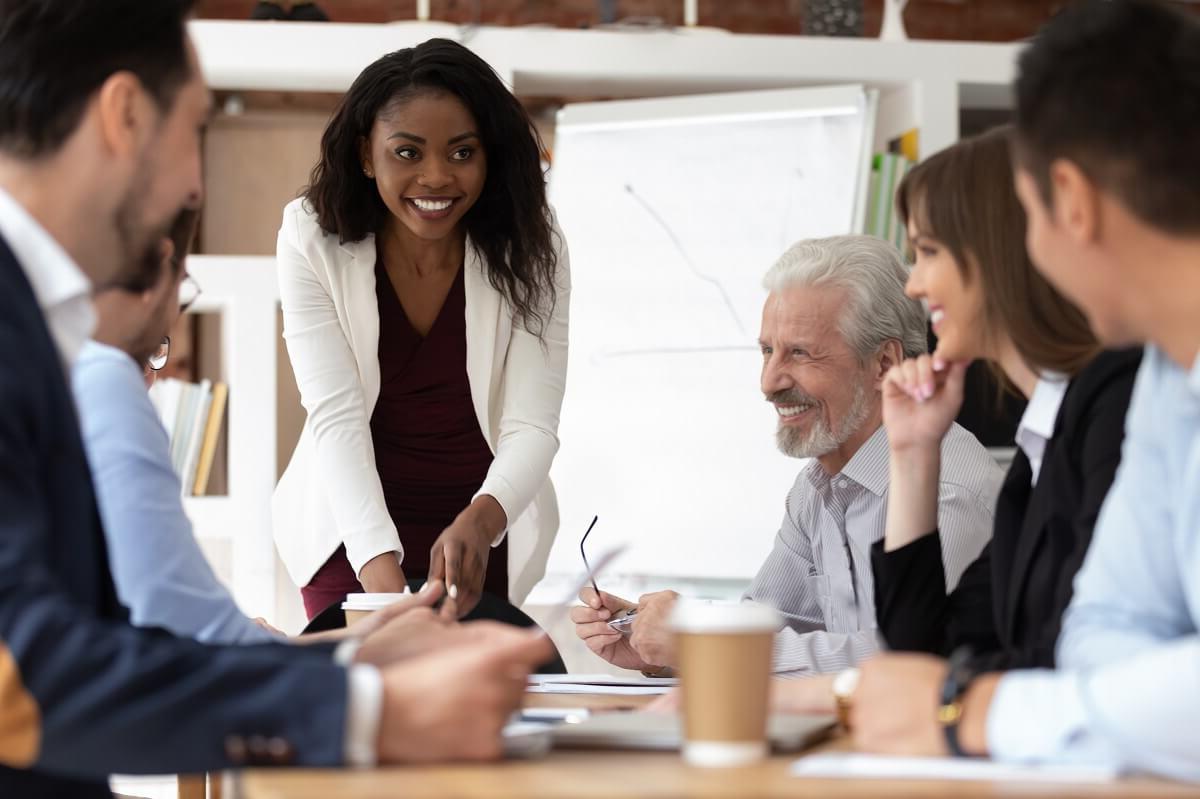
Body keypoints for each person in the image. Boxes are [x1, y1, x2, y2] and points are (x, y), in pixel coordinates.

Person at [0, 3, 548, 795]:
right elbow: (30, 666)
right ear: (123, 116)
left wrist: (337, 658)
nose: (194, 181)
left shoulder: (39, 330)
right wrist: (361, 704)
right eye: (196, 131)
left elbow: (93, 641)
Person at [849, 0, 1200, 781]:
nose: (914, 282)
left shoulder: (1115, 390)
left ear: (1069, 202)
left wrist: (976, 711)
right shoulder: (1161, 381)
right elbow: (1101, 631)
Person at [574, 235, 1003, 676]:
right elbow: (767, 622)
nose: (769, 381)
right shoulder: (818, 485)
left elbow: (910, 660)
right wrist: (657, 648)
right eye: (766, 350)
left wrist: (700, 646)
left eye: (799, 353)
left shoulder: (948, 492)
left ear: (884, 364)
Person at [273, 38, 570, 620]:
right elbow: (335, 414)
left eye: (462, 154)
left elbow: (533, 422)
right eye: (407, 153)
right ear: (366, 155)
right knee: (360, 696)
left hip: (481, 529)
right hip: (350, 526)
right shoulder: (310, 237)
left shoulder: (534, 244)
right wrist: (380, 572)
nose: (436, 177)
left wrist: (481, 523)